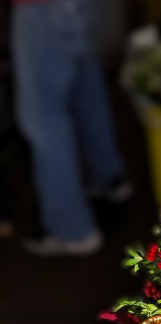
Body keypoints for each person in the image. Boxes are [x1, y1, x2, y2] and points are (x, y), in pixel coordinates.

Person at [11, 0, 130, 256]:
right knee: (85, 90)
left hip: (40, 8)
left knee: (44, 116)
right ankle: (108, 179)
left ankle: (72, 229)